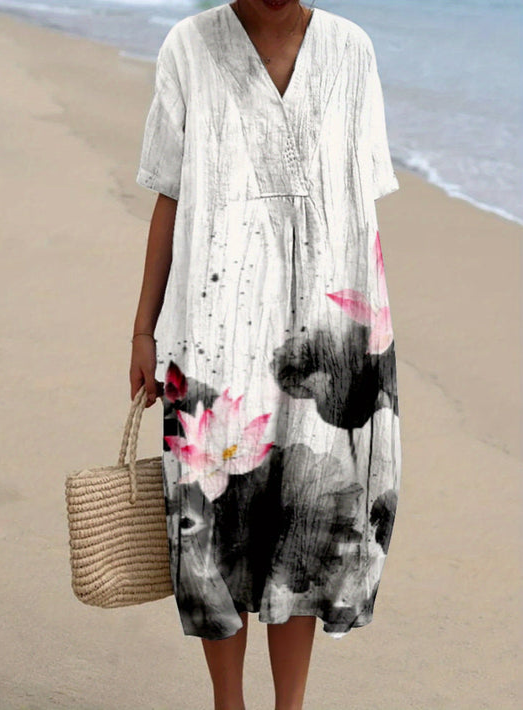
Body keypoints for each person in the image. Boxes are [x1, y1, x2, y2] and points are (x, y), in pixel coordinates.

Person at [131, 1, 402, 708]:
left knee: (305, 524)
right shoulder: (189, 45)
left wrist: (365, 346)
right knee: (213, 524)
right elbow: (169, 194)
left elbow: (359, 215)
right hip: (212, 327)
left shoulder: (350, 50)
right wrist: (142, 330)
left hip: (322, 333)